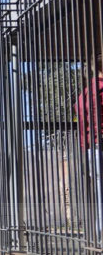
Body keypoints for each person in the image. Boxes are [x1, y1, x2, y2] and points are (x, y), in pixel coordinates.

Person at [75, 53, 103, 240]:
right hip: (99, 143)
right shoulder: (100, 89)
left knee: (98, 194)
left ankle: (97, 236)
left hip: (88, 147)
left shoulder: (84, 92)